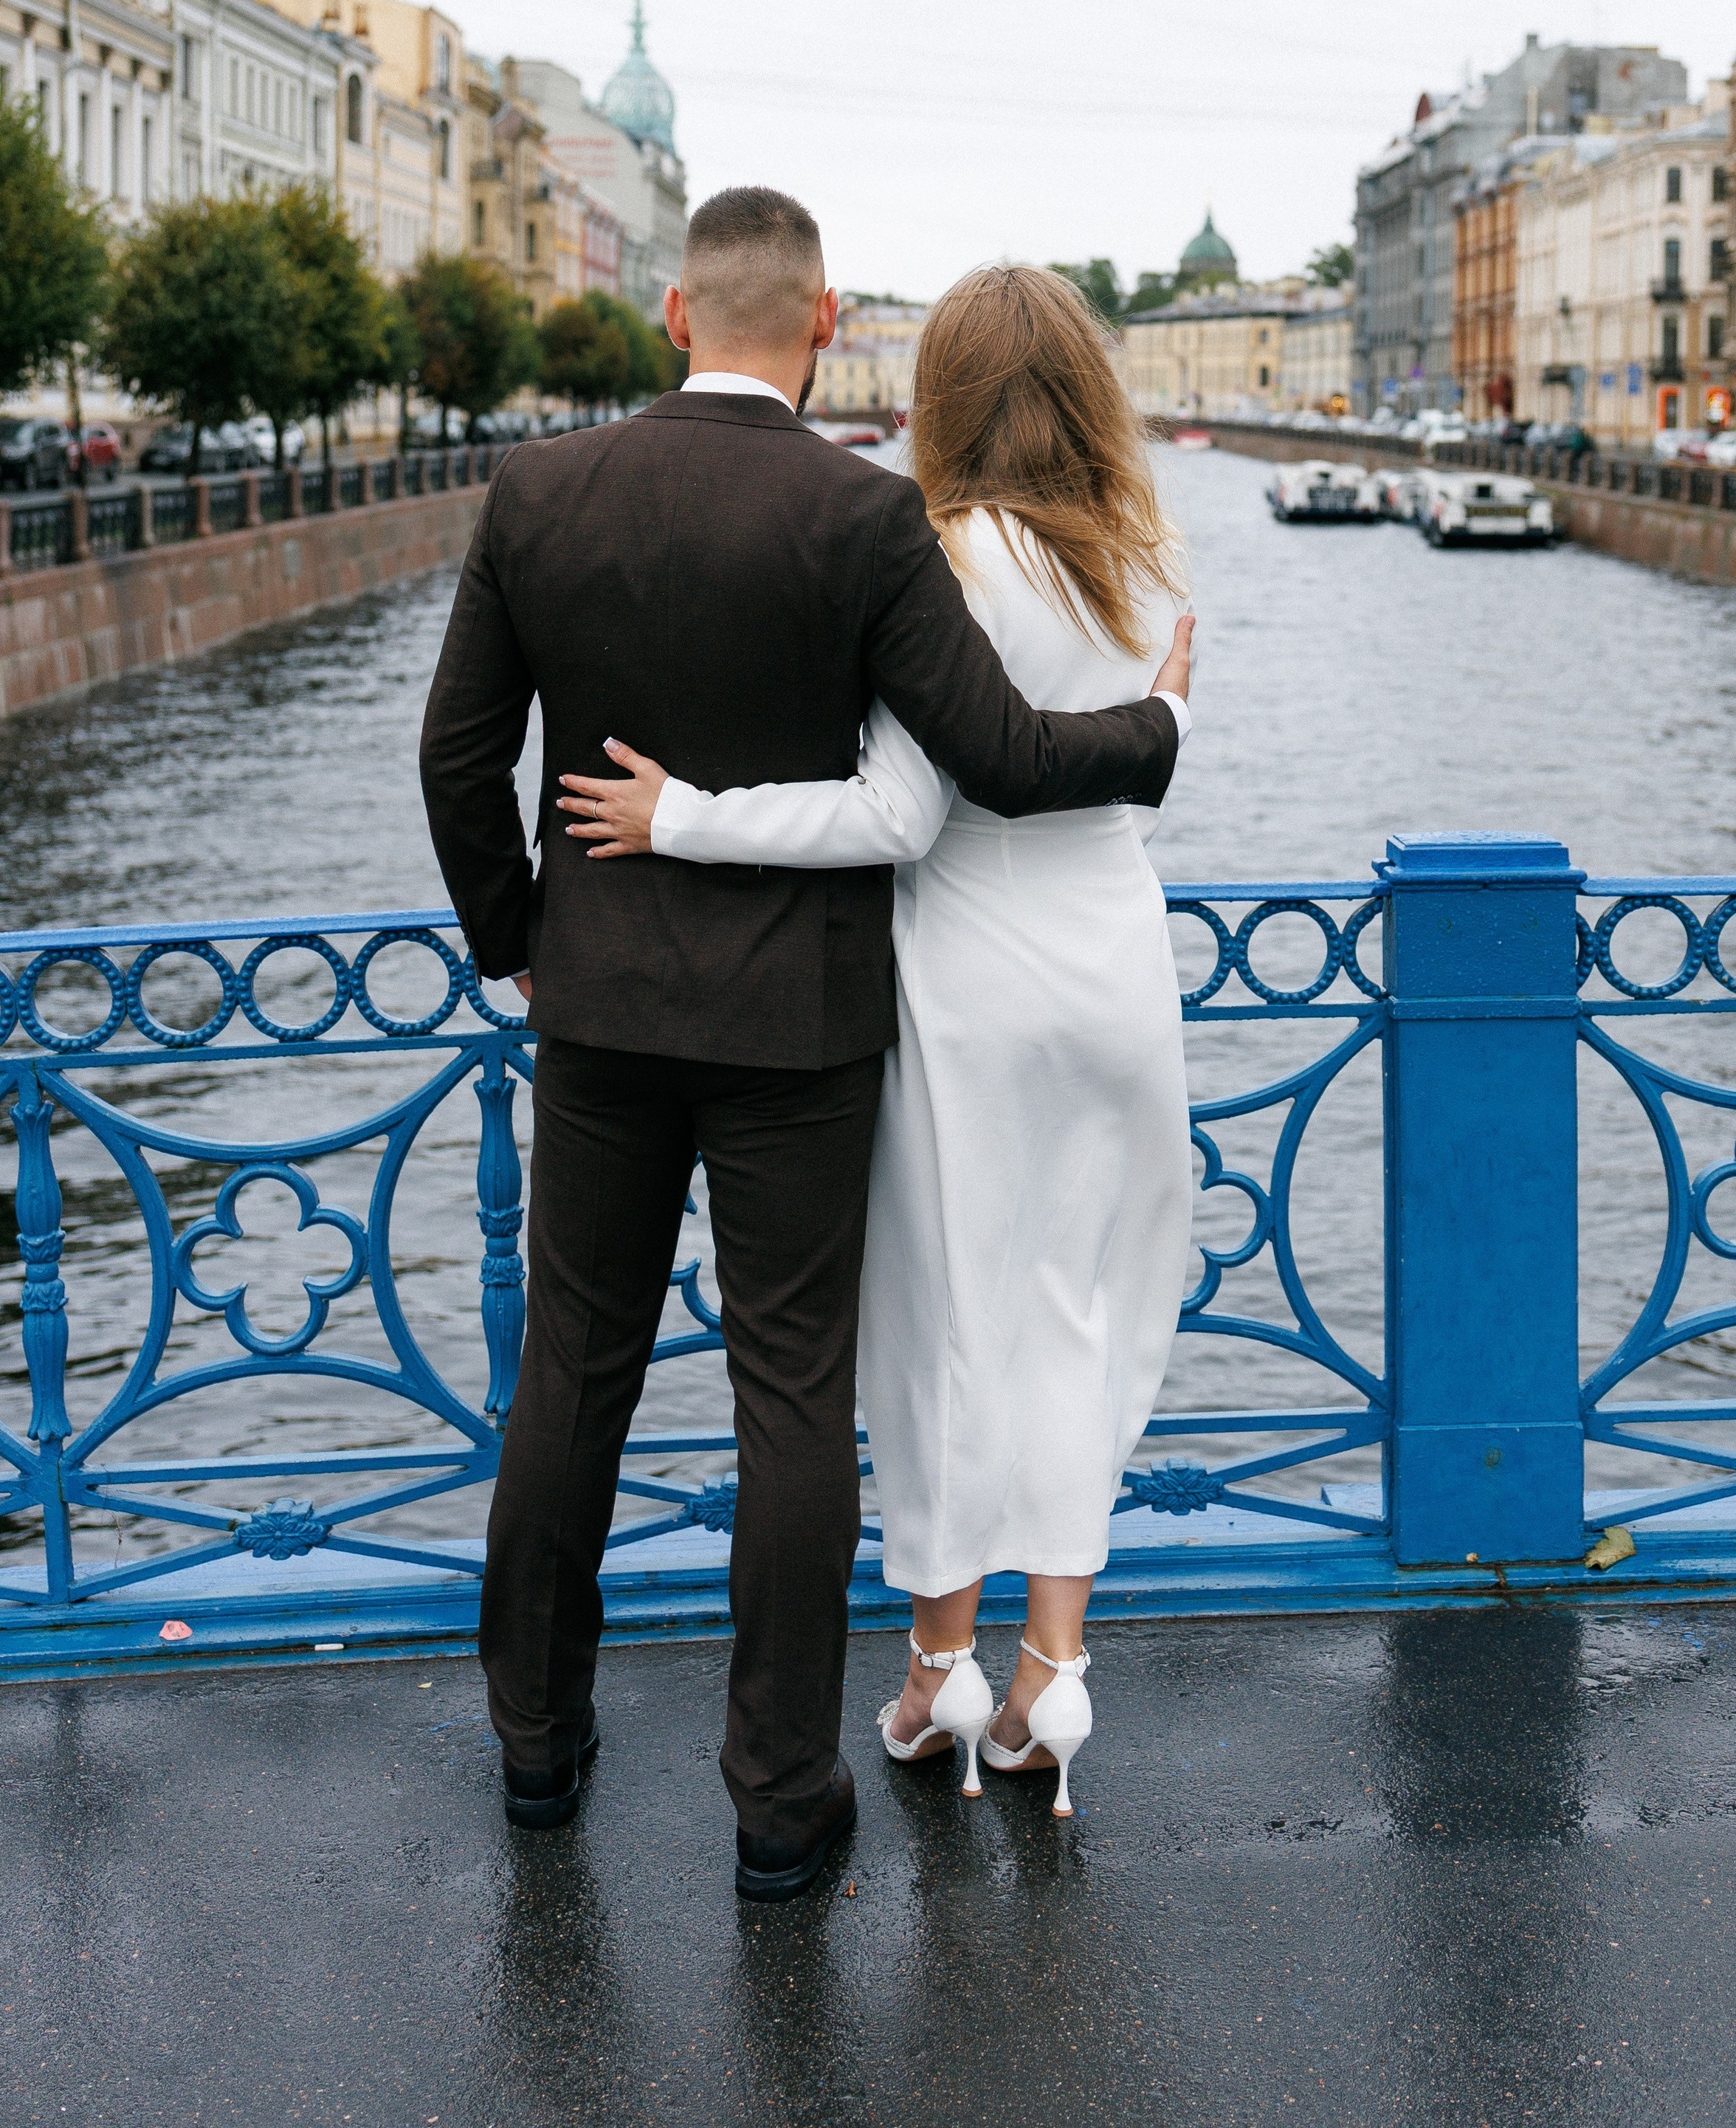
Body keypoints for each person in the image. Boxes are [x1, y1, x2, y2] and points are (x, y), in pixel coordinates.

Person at [418, 189, 1193, 1903]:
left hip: (602, 1010)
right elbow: (984, 754)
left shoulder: (539, 490)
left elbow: (456, 759)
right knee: (793, 1399)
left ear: (674, 316)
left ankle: (537, 1749)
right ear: (824, 321)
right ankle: (781, 1801)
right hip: (807, 1025)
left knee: (571, 1377)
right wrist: (1161, 725)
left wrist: (520, 946)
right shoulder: (860, 518)